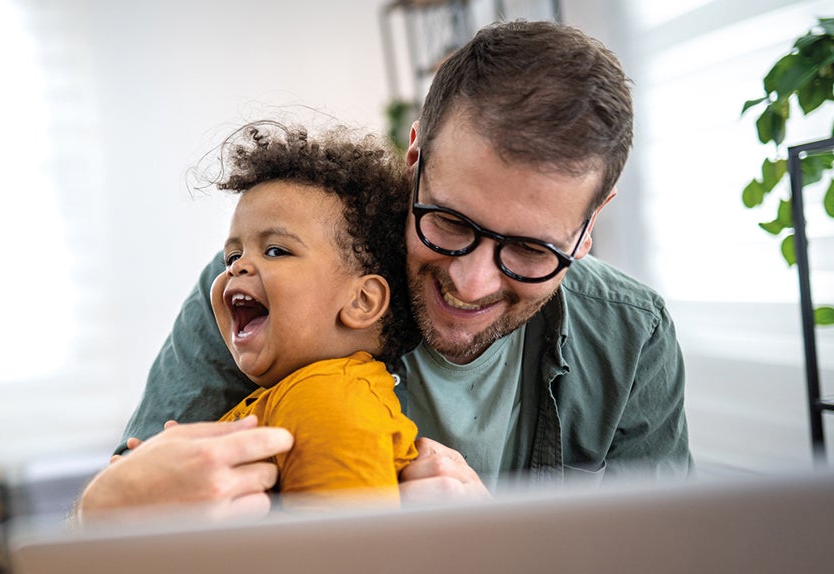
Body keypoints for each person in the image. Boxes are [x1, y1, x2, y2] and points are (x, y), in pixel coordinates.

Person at [76, 20, 692, 523]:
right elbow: (116, 544)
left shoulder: (632, 337)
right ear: (416, 157)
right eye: (450, 222)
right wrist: (102, 510)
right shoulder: (264, 286)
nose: (472, 283)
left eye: (532, 251)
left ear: (589, 226)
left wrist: (504, 550)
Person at [182, 121, 421, 508]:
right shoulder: (297, 394)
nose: (236, 268)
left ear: (362, 301)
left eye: (276, 251)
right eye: (233, 255)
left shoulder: (329, 400)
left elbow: (346, 558)